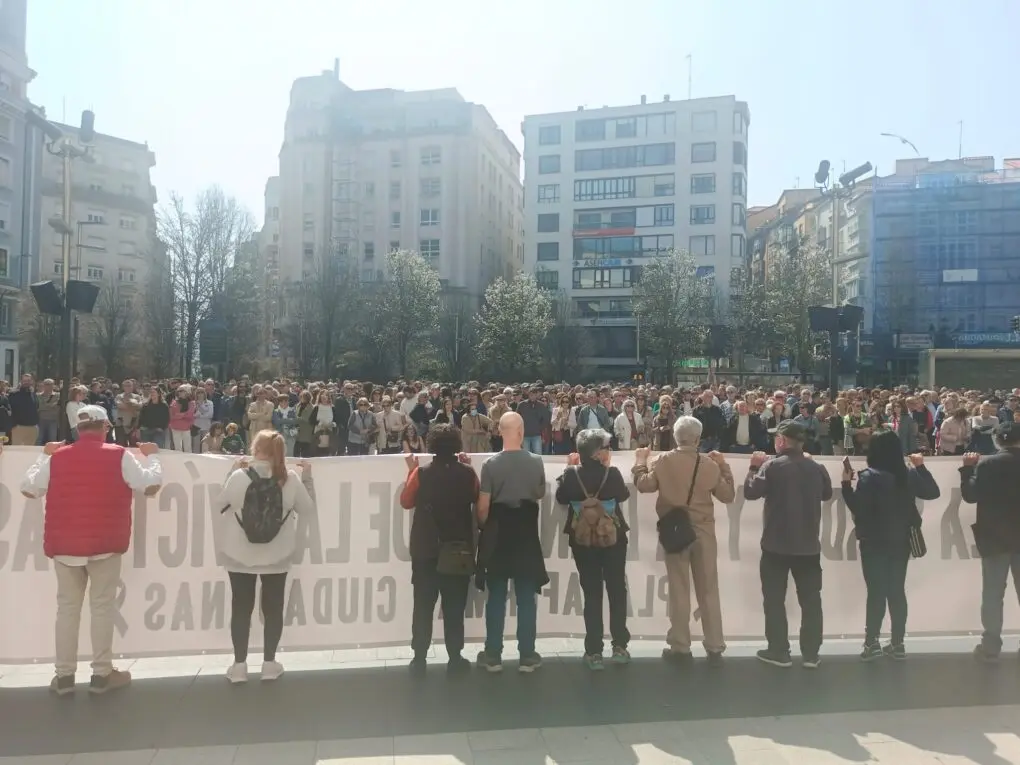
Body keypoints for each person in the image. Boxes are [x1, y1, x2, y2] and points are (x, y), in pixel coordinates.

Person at [20, 405, 163, 696]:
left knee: (67, 611)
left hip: (65, 547)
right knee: (102, 608)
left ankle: (63, 677)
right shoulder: (119, 455)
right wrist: (153, 457)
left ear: (77, 428)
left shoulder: (58, 458)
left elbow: (28, 488)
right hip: (105, 546)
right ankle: (101, 674)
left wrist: (43, 455)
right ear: (105, 427)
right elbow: (150, 486)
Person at [212, 430, 315, 683]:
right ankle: (269, 663)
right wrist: (308, 478)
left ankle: (239, 666)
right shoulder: (290, 479)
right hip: (277, 555)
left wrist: (231, 471)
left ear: (255, 449)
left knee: (241, 608)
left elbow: (220, 503)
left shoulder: (239, 476)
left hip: (239, 555)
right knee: (273, 609)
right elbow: (307, 509)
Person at [633, 416, 734, 666]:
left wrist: (640, 462)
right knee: (708, 589)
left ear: (675, 437)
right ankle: (715, 644)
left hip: (675, 532)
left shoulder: (662, 461)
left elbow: (644, 485)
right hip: (704, 531)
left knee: (679, 589)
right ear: (698, 439)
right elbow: (727, 495)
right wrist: (724, 466)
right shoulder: (709, 465)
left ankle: (680, 644)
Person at [841, 429, 939, 661]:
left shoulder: (869, 477)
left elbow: (859, 508)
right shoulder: (908, 475)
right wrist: (921, 467)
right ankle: (897, 643)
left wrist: (846, 485)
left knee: (876, 592)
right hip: (901, 540)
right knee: (896, 591)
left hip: (873, 541)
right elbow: (932, 492)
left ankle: (872, 642)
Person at [744, 420, 833, 668]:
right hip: (808, 546)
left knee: (774, 600)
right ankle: (811, 653)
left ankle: (779, 650)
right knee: (811, 601)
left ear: (781, 441)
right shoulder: (816, 468)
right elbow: (827, 494)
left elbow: (751, 492)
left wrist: (753, 467)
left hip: (776, 545)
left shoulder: (772, 466)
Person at [399, 424, 478, 675]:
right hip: (458, 550)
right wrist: (468, 466)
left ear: (432, 445)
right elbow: (476, 496)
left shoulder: (421, 474)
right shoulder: (467, 474)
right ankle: (455, 658)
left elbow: (406, 501)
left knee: (423, 606)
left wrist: (411, 471)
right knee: (454, 607)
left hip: (426, 549)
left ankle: (419, 658)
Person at [475, 412, 548, 673]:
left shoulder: (490, 465)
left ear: (499, 431)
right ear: (521, 431)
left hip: (498, 535)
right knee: (526, 597)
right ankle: (527, 655)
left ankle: (493, 654)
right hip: (525, 534)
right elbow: (539, 492)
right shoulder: (536, 462)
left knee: (496, 596)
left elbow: (483, 507)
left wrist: (483, 525)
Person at [555, 429, 632, 670]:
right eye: (606, 448)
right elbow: (624, 495)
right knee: (617, 589)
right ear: (597, 453)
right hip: (613, 539)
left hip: (583, 541)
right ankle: (620, 645)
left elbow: (561, 498)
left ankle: (594, 651)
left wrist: (568, 468)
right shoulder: (613, 474)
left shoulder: (571, 475)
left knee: (592, 593)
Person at [960, 422, 1020, 662]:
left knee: (993, 594)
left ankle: (991, 645)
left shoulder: (988, 464)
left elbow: (970, 495)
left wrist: (967, 470)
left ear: (997, 440)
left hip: (995, 537)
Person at [9, 373, 39, 446]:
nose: (26, 382)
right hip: (18, 427)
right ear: (21, 381)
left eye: (28, 380)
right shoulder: (13, 394)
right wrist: (13, 425)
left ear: (31, 381)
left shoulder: (33, 394)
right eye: (24, 380)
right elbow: (9, 409)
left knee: (30, 450)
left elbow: (36, 407)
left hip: (32, 428)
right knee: (17, 450)